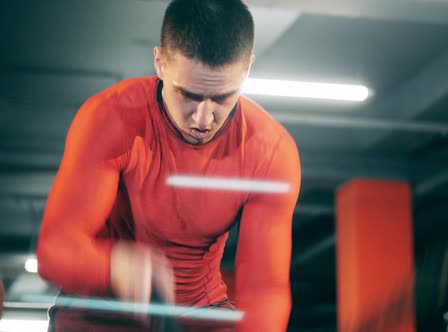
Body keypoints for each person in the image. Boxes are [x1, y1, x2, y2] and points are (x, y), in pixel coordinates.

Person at [35, 0, 301, 331]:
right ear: (160, 63)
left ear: (247, 69)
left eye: (222, 98)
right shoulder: (111, 118)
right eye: (187, 95)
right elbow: (55, 250)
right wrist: (111, 266)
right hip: (101, 307)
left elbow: (265, 289)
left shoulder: (271, 152)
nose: (204, 119)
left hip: (199, 313)